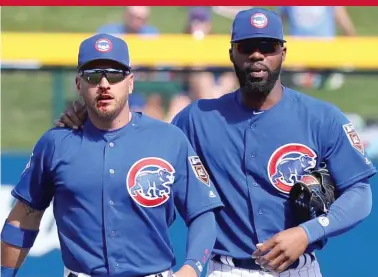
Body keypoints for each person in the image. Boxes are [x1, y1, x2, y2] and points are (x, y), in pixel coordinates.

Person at [54, 8, 376, 277]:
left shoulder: (321, 117)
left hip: (298, 267)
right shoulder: (199, 118)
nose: (257, 56)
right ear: (232, 52)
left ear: (283, 52)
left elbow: (360, 193)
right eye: (247, 46)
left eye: (268, 46)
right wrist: (92, 113)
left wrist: (309, 231)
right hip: (227, 268)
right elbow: (142, 141)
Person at [0, 33, 224, 277]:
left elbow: (202, 211)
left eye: (115, 74)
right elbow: (23, 218)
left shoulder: (169, 139)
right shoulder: (55, 144)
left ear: (130, 82)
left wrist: (192, 268)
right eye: (93, 75)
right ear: (78, 84)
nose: (104, 84)